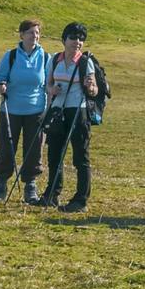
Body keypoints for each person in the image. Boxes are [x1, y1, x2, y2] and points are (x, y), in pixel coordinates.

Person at [39, 22, 98, 212]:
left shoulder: (85, 62)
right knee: (54, 154)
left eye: (81, 38)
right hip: (57, 111)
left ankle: (81, 200)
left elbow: (94, 90)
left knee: (81, 156)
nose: (77, 42)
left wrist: (90, 87)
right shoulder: (54, 59)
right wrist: (52, 90)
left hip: (78, 111)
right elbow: (47, 85)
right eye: (73, 37)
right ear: (64, 40)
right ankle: (52, 194)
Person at [0, 19, 51, 203]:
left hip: (37, 110)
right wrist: (0, 86)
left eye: (37, 33)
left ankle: (30, 185)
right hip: (11, 110)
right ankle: (1, 185)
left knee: (34, 150)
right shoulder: (10, 56)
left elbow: (48, 83)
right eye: (31, 33)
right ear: (22, 35)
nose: (35, 36)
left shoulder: (46, 57)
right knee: (6, 148)